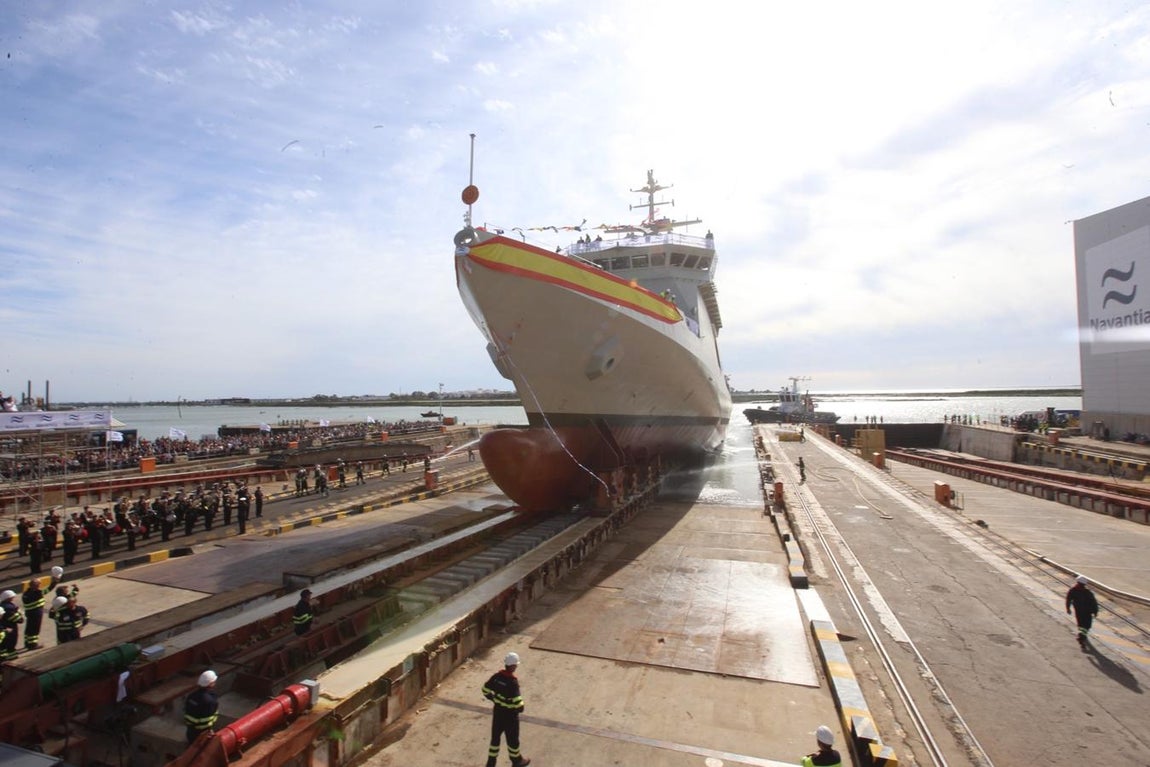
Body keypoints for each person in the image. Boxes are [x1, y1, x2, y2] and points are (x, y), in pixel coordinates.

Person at [482, 652, 531, 767]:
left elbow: (485, 689)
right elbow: (519, 704)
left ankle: (491, 763)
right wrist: (519, 708)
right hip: (510, 716)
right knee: (512, 740)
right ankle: (517, 761)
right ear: (513, 666)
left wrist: (494, 699)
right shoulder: (512, 682)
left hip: (498, 713)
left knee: (495, 739)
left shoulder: (496, 677)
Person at [184, 670, 220, 744]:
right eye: (214, 681)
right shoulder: (210, 701)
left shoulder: (191, 696)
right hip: (203, 735)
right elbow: (207, 721)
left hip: (190, 732)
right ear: (211, 684)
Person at [1066, 574, 1099, 644]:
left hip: (1079, 611)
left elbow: (1068, 600)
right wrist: (1095, 611)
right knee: (1087, 625)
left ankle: (1081, 636)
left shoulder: (1073, 590)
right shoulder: (1088, 592)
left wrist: (1068, 608)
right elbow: (1094, 602)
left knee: (1081, 624)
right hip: (1087, 611)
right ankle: (1082, 636)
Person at [21, 577, 46, 650]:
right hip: (36, 613)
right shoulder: (37, 593)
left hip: (29, 613)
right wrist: (55, 581)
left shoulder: (26, 593)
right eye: (38, 583)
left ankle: (27, 643)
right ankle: (33, 645)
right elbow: (48, 589)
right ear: (34, 585)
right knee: (34, 629)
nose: (40, 585)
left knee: (29, 628)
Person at [0, 590, 23, 661]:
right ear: (9, 598)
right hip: (11, 629)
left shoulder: (2, 605)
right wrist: (19, 613)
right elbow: (20, 620)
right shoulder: (9, 608)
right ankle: (11, 657)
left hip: (5, 627)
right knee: (11, 643)